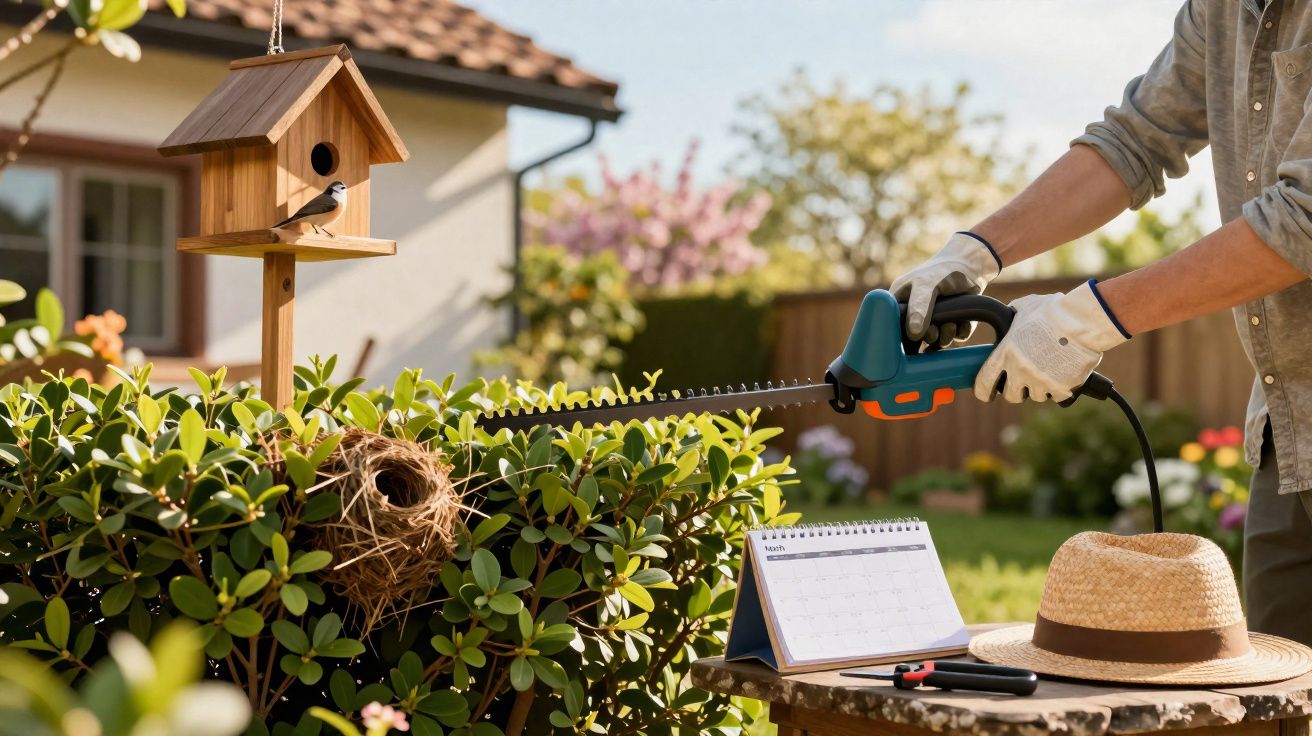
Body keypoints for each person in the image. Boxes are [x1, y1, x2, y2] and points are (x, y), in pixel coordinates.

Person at [889, 0, 1312, 645]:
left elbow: (1303, 218)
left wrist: (1085, 321)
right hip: (1289, 433)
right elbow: (1136, 140)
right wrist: (974, 252)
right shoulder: (1220, 11)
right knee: (1285, 702)